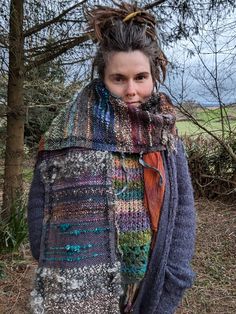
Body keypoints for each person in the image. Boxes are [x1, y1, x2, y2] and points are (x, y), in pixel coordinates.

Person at [28, 2, 196, 313]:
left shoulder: (164, 132)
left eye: (141, 77)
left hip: (147, 289)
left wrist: (174, 280)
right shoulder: (66, 131)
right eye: (119, 78)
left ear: (154, 74)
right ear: (102, 77)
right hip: (77, 291)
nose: (131, 90)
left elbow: (183, 210)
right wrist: (59, 264)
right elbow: (41, 201)